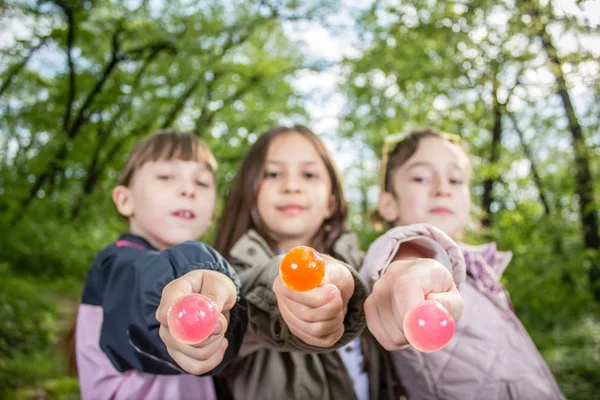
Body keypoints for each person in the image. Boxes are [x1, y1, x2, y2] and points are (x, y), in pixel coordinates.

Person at [212, 124, 464, 400]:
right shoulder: (224, 282)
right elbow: (244, 306)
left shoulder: (367, 270)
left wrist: (410, 275)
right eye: (273, 174)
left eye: (309, 174)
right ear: (250, 194)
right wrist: (285, 288)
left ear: (331, 201)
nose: (292, 186)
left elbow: (385, 270)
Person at [361, 127, 565, 399]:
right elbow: (405, 256)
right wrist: (408, 277)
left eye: (455, 180)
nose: (442, 188)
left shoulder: (482, 275)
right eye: (421, 178)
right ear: (388, 204)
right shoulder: (409, 250)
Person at [72, 130, 247, 399]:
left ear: (211, 214)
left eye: (202, 183)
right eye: (166, 177)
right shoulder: (116, 263)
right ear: (124, 199)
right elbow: (145, 289)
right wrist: (196, 271)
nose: (188, 190)